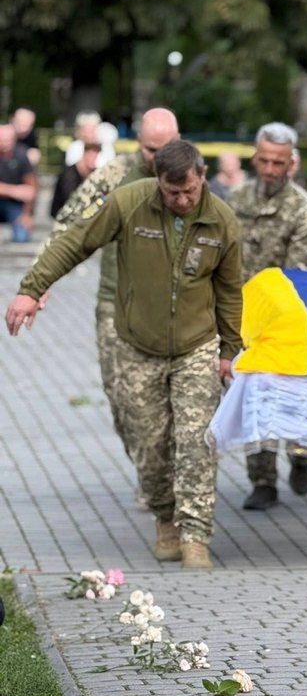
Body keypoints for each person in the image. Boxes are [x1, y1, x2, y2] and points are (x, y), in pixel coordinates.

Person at [6, 139, 243, 569]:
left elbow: (229, 293)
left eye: (189, 191)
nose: (182, 200)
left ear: (202, 177)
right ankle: (166, 519)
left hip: (197, 345)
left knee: (196, 442)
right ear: (158, 182)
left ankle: (195, 536)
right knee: (149, 446)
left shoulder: (222, 220)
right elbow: (74, 242)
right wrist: (31, 288)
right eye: (172, 193)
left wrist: (230, 350)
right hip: (138, 344)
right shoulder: (130, 202)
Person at [50, 107, 181, 508]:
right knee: (124, 401)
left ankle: (171, 482)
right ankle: (150, 475)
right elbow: (69, 225)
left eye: (165, 148)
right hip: (117, 304)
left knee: (176, 406)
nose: (156, 158)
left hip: (177, 309)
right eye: (148, 148)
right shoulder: (114, 175)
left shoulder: (191, 176)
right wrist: (39, 283)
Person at [227, 122, 307, 511]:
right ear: (254, 157)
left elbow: (297, 274)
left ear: (292, 163)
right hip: (240, 316)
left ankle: (300, 456)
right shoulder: (235, 200)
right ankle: (262, 480)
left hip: (285, 316)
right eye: (263, 160)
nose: (269, 169)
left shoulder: (302, 209)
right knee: (253, 396)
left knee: (292, 398)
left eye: (277, 163)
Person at [0, 124, 36, 242]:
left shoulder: (21, 155)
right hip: (12, 198)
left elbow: (30, 190)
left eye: (8, 139)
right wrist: (15, 191)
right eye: (2, 139)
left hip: (14, 205)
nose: (5, 143)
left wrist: (27, 215)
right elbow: (23, 191)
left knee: (22, 236)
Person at [51, 139, 102, 218]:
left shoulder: (94, 173)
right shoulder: (68, 174)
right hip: (64, 216)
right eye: (91, 155)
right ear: (84, 154)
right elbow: (70, 196)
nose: (93, 159)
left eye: (96, 156)